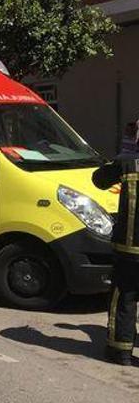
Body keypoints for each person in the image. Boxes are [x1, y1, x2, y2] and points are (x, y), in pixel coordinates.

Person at [92, 153, 139, 365]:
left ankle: (121, 352)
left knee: (124, 299)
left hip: (129, 250)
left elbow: (99, 180)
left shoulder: (127, 164)